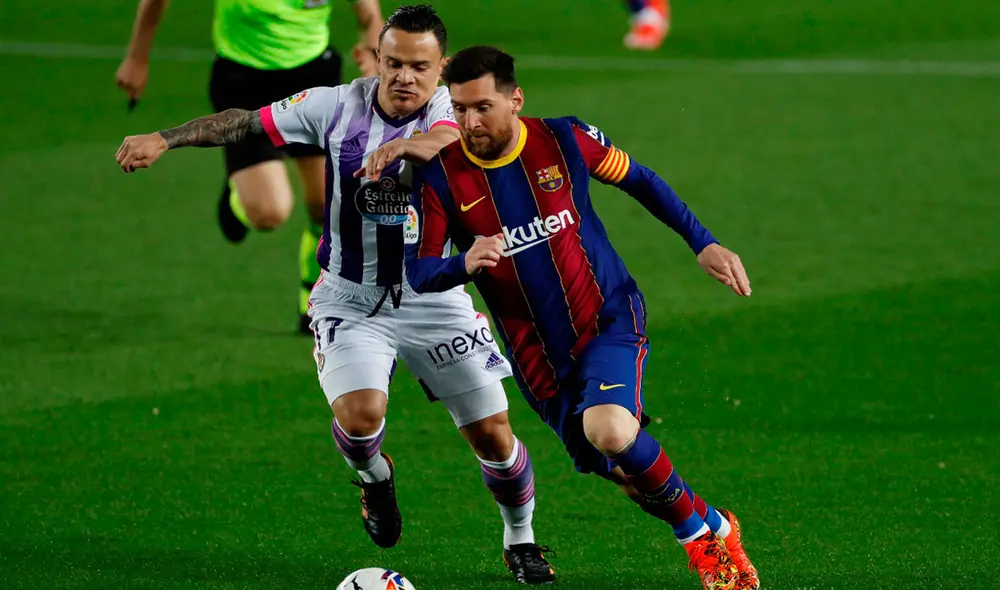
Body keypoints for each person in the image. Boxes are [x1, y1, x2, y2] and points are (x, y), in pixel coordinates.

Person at [115, 9, 556, 585]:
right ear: (377, 58)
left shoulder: (453, 110)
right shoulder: (335, 105)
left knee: (493, 435)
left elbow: (454, 140)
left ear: (441, 68)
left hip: (435, 294)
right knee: (360, 419)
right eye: (392, 63)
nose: (403, 77)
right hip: (350, 297)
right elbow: (245, 123)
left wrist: (405, 148)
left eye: (418, 67)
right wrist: (165, 138)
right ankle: (375, 480)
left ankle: (520, 538)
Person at [404, 46, 758, 590]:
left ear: (515, 100)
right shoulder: (439, 179)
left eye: (483, 107)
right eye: (460, 109)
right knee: (624, 471)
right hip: (536, 355)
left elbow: (640, 179)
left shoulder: (565, 139)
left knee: (610, 429)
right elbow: (421, 272)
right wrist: (462, 263)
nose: (470, 123)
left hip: (607, 318)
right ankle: (716, 526)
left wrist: (702, 242)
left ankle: (699, 544)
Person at [116, 0, 385, 334]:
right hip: (243, 82)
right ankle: (236, 201)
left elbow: (370, 16)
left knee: (326, 206)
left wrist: (374, 61)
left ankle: (313, 303)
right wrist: (137, 58)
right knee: (269, 213)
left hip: (313, 79)